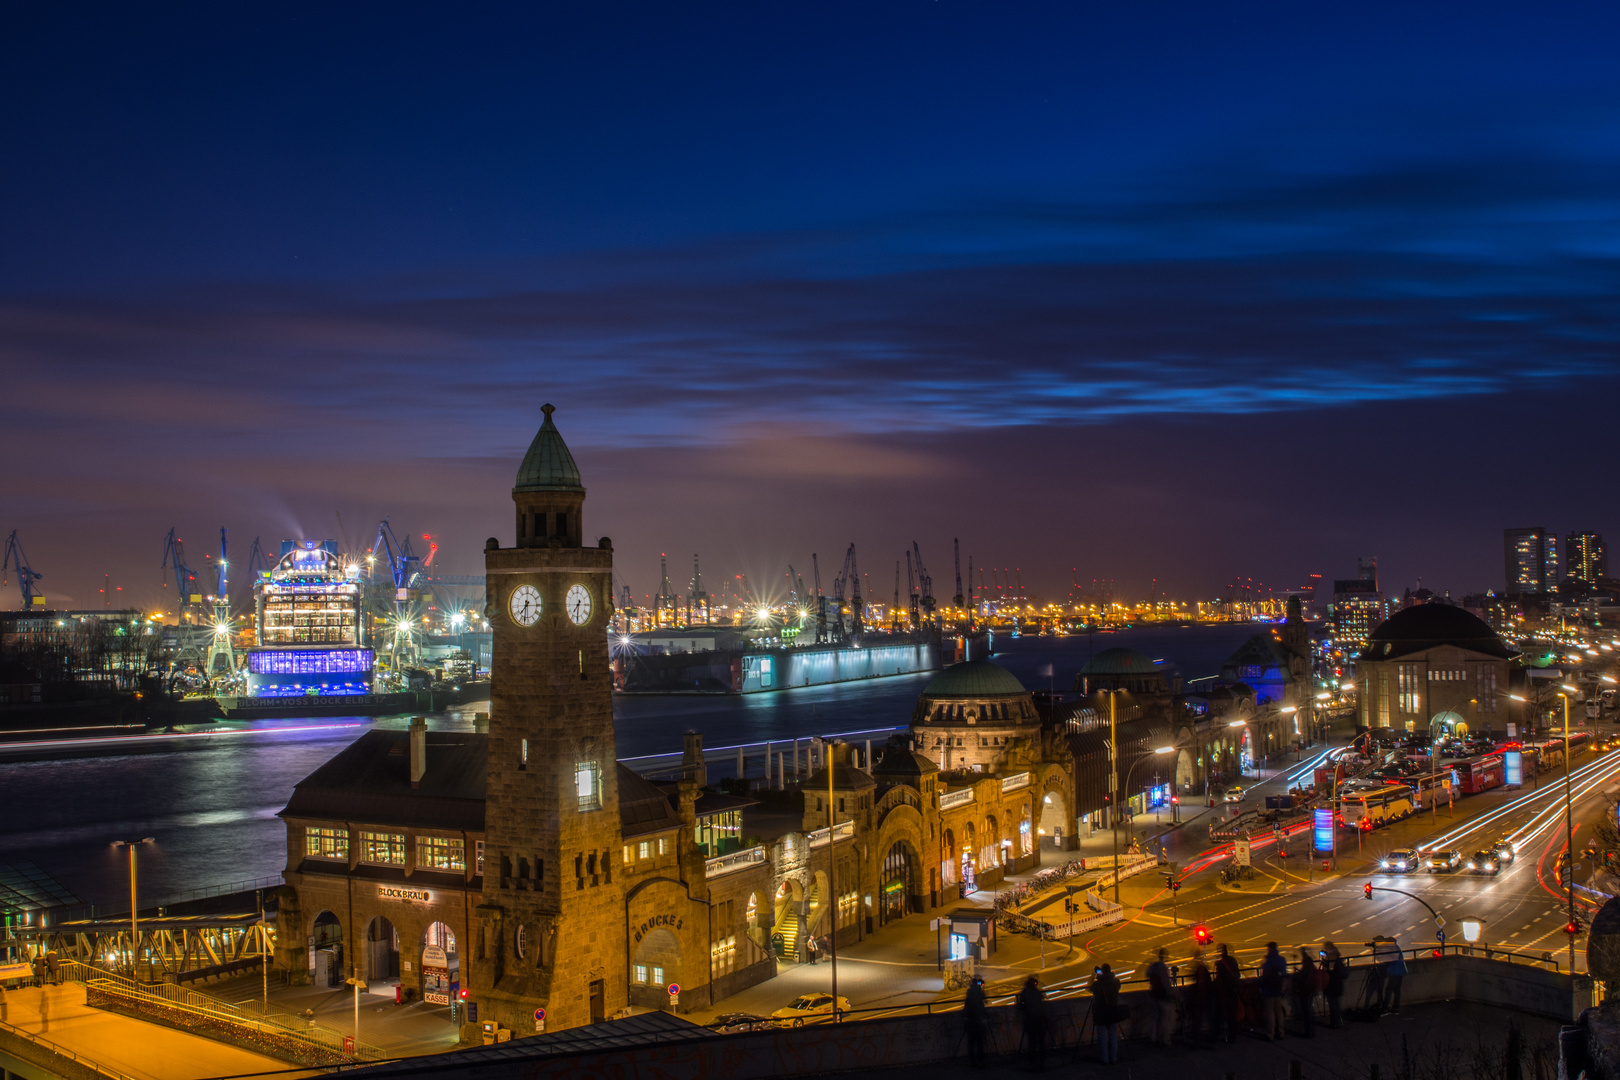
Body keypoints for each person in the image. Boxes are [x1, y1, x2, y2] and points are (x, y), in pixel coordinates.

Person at [1091, 963, 1122, 1064]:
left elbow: (1090, 988)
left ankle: (1104, 1058)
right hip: (1112, 1010)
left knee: (1102, 1035)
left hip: (1101, 1012)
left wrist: (1094, 976)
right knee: (1113, 1034)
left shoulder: (1098, 984)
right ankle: (1114, 1057)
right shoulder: (1116, 982)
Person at [1258, 941, 1289, 1040]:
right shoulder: (1281, 960)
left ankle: (1270, 1034)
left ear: (1269, 949)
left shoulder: (1268, 960)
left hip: (1268, 989)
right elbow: (1284, 974)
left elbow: (1264, 973)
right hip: (1278, 988)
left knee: (1270, 1012)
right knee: (1279, 1011)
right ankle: (1281, 1032)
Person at [1016, 974, 1048, 1066]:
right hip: (1040, 1020)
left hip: (1031, 1020)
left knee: (1032, 1041)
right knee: (1040, 1041)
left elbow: (1020, 1005)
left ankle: (1032, 1060)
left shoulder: (1025, 992)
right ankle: (1041, 1060)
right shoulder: (1037, 992)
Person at [1145, 948, 1175, 1045]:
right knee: (1164, 1019)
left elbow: (1147, 975)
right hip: (1162, 995)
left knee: (1154, 1018)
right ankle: (1165, 1040)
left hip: (1153, 993)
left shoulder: (1153, 966)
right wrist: (1170, 994)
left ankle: (1153, 1038)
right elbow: (1165, 983)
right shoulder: (1163, 968)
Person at [1214, 944, 1242, 1044]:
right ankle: (1234, 1031)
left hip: (1225, 991)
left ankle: (1230, 1035)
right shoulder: (1232, 960)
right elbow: (1238, 974)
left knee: (1225, 1014)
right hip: (1233, 990)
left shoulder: (1221, 964)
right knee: (1233, 1013)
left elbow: (1220, 979)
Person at [1372, 935, 1406, 1014]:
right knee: (1396, 989)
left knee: (1389, 989)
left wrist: (1376, 952)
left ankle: (1385, 1007)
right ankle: (1395, 1007)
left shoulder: (1392, 948)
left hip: (1395, 971)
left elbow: (1383, 959)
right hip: (1400, 970)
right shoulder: (1396, 947)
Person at [1186, 953, 1212, 1042]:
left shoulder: (1198, 969)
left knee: (1199, 1018)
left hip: (1200, 997)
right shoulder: (1203, 968)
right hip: (1206, 996)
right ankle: (1210, 1037)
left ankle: (1198, 1037)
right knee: (1207, 1017)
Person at [963, 976, 988, 1067]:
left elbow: (966, 1009)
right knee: (980, 1042)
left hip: (970, 1021)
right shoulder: (979, 993)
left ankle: (972, 1061)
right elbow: (985, 1000)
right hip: (979, 1021)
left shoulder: (969, 993)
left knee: (971, 1043)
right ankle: (981, 1060)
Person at [1292, 949, 1317, 1037]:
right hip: (1310, 990)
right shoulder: (1312, 968)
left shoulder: (1306, 969)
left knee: (1306, 1011)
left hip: (1306, 991)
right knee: (1309, 1010)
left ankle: (1309, 1032)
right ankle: (1310, 1031)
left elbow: (1301, 977)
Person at [1323, 942, 1347, 1029]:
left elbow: (1329, 971)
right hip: (1338, 985)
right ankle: (1337, 1021)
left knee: (1333, 1004)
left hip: (1332, 984)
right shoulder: (1337, 957)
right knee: (1336, 1004)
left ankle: (1334, 1023)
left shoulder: (1331, 958)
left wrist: (1324, 961)